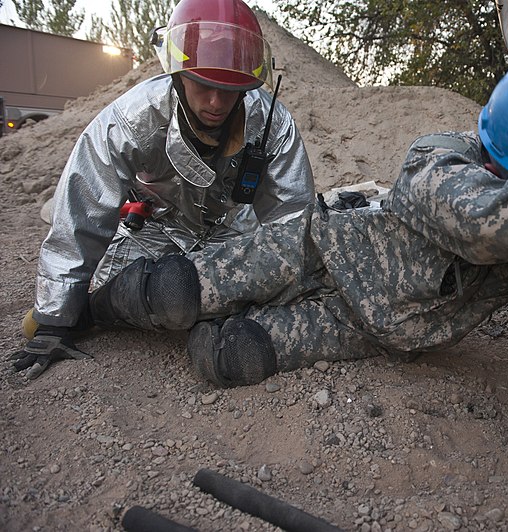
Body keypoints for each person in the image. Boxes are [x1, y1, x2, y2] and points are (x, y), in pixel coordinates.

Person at [16, 59, 508, 409]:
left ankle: (222, 323)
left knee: (226, 359)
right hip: (317, 246)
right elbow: (484, 223)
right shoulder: (441, 162)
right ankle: (88, 310)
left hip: (365, 325)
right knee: (167, 292)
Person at [10, 0, 314, 378]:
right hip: (152, 230)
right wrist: (55, 317)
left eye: (230, 89)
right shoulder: (130, 120)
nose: (217, 102)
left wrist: (285, 286)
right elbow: (81, 211)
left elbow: (292, 220)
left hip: (235, 233)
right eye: (203, 85)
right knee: (124, 291)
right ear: (177, 72)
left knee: (244, 291)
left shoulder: (274, 124)